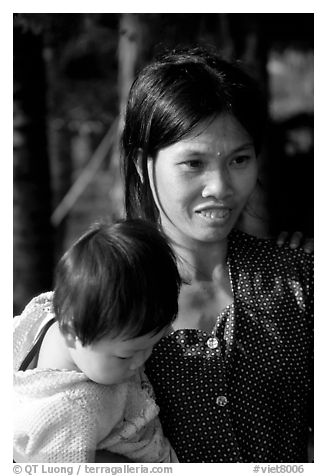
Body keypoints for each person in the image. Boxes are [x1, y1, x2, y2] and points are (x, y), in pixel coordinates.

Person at [121, 46, 313, 463]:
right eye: (193, 163)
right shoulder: (108, 293)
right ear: (142, 165)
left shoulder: (302, 284)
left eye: (239, 159)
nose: (221, 188)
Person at [13, 219, 181, 463]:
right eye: (127, 355)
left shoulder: (48, 316)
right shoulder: (74, 413)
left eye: (152, 344)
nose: (143, 360)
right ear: (72, 333)